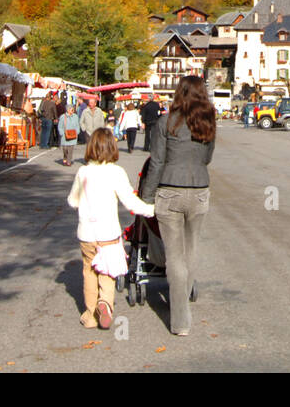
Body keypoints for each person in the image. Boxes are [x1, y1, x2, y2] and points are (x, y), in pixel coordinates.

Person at [140, 75, 215, 337]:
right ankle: (182, 299)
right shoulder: (208, 121)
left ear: (178, 92)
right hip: (199, 188)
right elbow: (207, 158)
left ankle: (180, 320)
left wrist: (146, 198)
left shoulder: (166, 121)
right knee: (192, 249)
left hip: (170, 190)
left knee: (174, 255)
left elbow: (156, 162)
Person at [67, 128, 154, 330]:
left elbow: (73, 200)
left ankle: (90, 315)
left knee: (89, 272)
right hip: (109, 234)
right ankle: (105, 304)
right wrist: (151, 210)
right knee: (107, 273)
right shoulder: (117, 172)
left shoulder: (83, 172)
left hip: (87, 233)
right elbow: (130, 202)